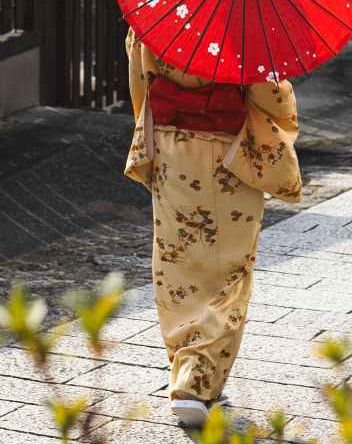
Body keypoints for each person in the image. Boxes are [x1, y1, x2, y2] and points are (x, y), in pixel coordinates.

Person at [123, 30, 302, 427]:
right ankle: (197, 382)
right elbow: (271, 95)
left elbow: (141, 83)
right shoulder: (243, 20)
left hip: (172, 151)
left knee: (177, 266)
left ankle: (184, 367)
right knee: (228, 271)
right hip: (229, 152)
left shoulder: (154, 15)